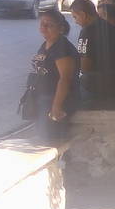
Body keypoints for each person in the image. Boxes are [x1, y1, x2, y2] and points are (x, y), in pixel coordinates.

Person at [27, 9, 79, 137]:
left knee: (49, 139)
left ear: (60, 29)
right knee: (42, 136)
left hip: (53, 99)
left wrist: (56, 106)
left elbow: (65, 79)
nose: (44, 28)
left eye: (49, 25)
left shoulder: (62, 48)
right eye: (42, 24)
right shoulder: (47, 44)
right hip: (42, 98)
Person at [70, 0, 115, 104]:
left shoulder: (86, 32)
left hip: (97, 83)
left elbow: (84, 67)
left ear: (83, 14)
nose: (75, 22)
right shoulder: (110, 28)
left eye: (75, 17)